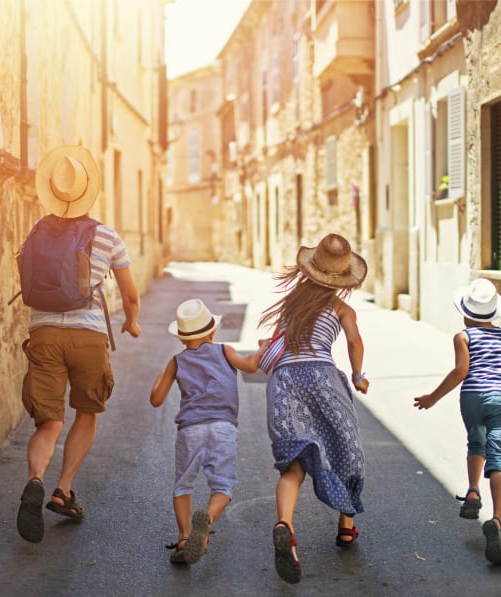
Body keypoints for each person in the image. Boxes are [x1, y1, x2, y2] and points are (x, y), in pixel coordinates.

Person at [16, 145, 141, 543]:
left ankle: (36, 479)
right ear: (89, 191)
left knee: (48, 422)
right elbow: (130, 295)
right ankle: (63, 488)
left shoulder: (36, 230)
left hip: (45, 333)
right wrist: (132, 323)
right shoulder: (107, 236)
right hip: (88, 336)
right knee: (87, 412)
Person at [258, 233, 370, 584]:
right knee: (348, 451)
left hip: (284, 379)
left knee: (293, 464)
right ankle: (346, 527)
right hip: (321, 376)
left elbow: (276, 341)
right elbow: (354, 341)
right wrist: (358, 375)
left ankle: (285, 526)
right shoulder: (342, 308)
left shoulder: (292, 302)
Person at [150, 298, 267, 565]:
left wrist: (160, 377)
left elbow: (156, 399)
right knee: (223, 486)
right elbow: (250, 366)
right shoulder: (224, 350)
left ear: (181, 339)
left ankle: (184, 537)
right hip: (223, 427)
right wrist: (262, 349)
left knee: (183, 485)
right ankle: (207, 523)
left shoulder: (176, 361)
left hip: (190, 429)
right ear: (212, 332)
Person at [414, 278, 501, 565]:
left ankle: (473, 491)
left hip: (473, 397)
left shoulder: (463, 336)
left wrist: (433, 397)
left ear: (466, 312)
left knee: (476, 442)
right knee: (500, 455)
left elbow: (462, 371)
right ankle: (497, 521)